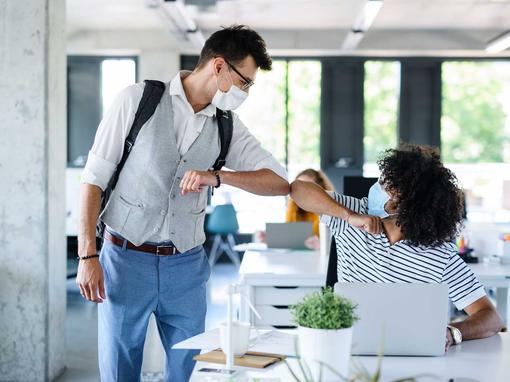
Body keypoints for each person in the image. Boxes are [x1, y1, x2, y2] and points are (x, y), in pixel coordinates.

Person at [77, 25, 289, 381]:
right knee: (119, 368)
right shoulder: (137, 101)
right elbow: (93, 182)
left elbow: (279, 181)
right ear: (219, 66)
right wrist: (87, 255)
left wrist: (219, 176)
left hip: (186, 267)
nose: (246, 92)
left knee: (189, 371)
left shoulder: (227, 126)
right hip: (125, 259)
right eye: (245, 81)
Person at [290, 144, 503, 351]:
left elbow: (491, 318)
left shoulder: (440, 255)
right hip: (347, 349)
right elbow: (298, 189)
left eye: (386, 184)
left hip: (413, 355)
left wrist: (453, 332)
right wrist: (349, 216)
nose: (378, 186)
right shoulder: (354, 212)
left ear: (405, 202)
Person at [285, 169, 334, 249]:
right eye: (297, 188)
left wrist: (322, 245)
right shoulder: (294, 206)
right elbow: (288, 235)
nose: (301, 193)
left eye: (307, 187)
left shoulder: (332, 211)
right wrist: (270, 239)